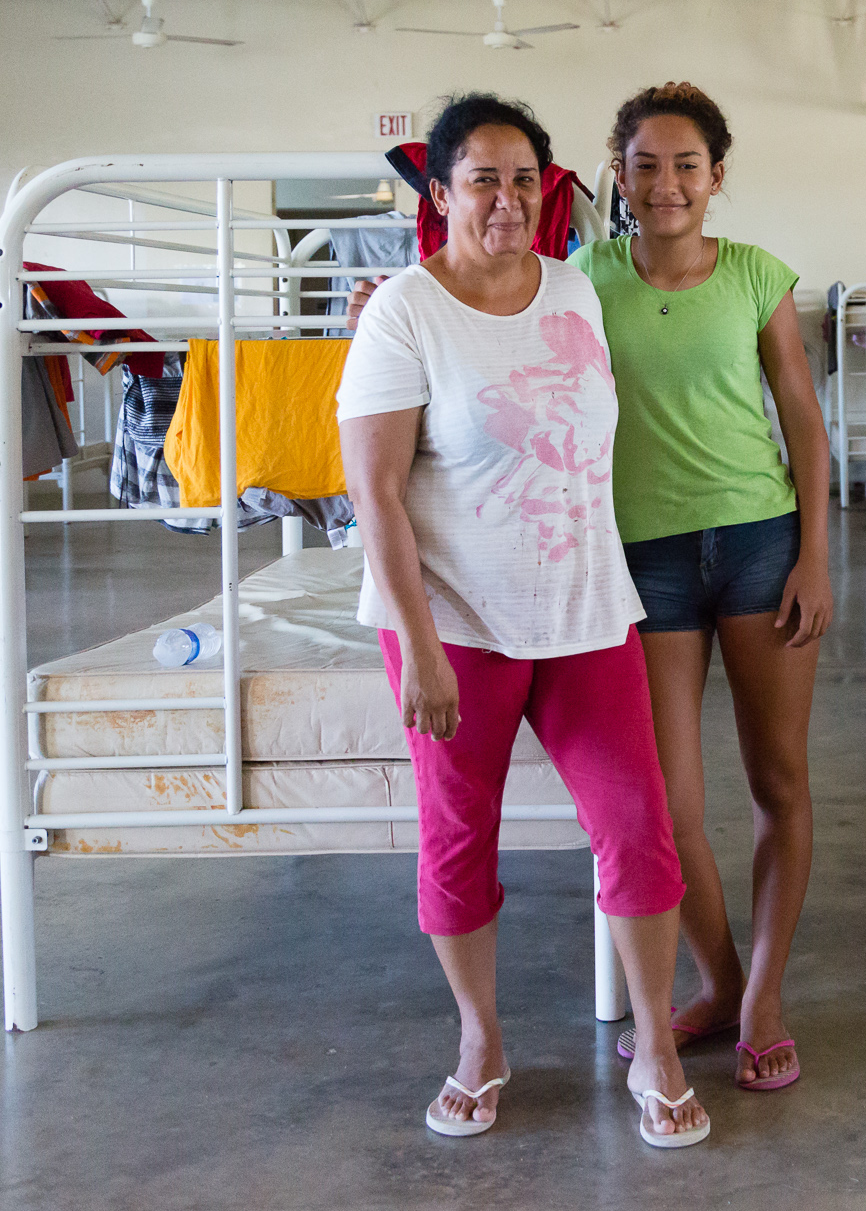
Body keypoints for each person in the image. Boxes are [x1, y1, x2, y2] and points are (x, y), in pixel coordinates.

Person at [336, 92, 709, 1149]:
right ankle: (479, 1041)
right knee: (459, 842)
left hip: (586, 608)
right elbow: (376, 494)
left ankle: (659, 1046)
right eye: (480, 179)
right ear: (443, 191)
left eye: (520, 179)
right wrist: (415, 643)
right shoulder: (402, 311)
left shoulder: (573, 291)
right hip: (456, 623)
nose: (503, 200)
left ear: (545, 189)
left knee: (637, 831)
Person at [571, 83, 832, 1091]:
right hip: (641, 558)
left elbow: (801, 419)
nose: (667, 183)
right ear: (619, 172)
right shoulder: (579, 277)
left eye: (687, 165)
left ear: (716, 177)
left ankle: (762, 998)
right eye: (646, 164)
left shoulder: (757, 275)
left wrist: (817, 552)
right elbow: (477, 304)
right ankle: (721, 984)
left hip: (761, 545)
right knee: (664, 804)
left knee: (778, 782)